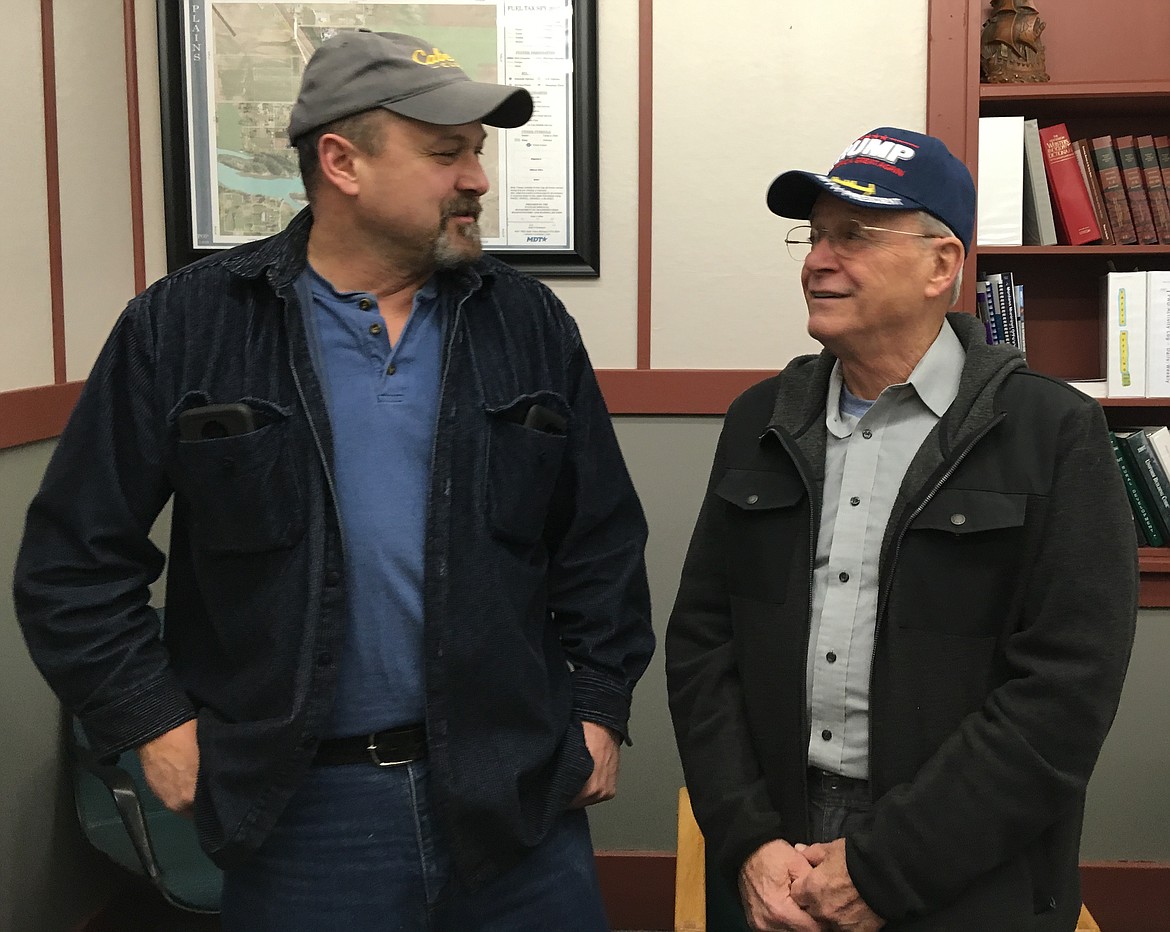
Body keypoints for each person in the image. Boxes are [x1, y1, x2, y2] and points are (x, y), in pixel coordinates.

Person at [15, 30, 653, 931]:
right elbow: (70, 564)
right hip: (299, 811)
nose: (477, 177)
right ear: (342, 162)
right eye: (446, 152)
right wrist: (149, 724)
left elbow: (600, 541)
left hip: (512, 798)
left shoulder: (527, 323)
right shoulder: (186, 327)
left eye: (478, 151)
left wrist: (597, 708)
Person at [665, 126, 1136, 931]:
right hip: (774, 848)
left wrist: (887, 867)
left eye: (854, 234)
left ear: (942, 267)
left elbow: (1064, 695)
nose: (818, 259)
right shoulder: (759, 422)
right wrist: (747, 840)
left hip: (963, 865)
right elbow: (703, 645)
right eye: (814, 235)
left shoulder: (1051, 433)